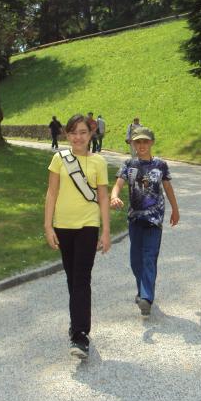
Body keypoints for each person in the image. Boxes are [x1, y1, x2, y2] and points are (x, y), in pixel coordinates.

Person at [44, 114, 111, 359]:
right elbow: (51, 193)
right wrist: (48, 226)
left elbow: (103, 197)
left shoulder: (99, 162)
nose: (78, 137)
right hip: (63, 225)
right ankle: (76, 323)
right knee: (72, 279)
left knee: (81, 278)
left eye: (83, 132)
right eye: (73, 133)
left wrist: (105, 230)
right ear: (67, 135)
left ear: (90, 134)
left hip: (87, 226)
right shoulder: (59, 159)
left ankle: (80, 335)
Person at [110, 127, 179, 316]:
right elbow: (118, 184)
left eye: (145, 141)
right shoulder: (129, 164)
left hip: (154, 220)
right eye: (138, 142)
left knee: (149, 257)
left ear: (151, 143)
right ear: (133, 144)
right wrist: (114, 196)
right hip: (135, 219)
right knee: (136, 260)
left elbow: (168, 187)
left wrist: (175, 209)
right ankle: (142, 291)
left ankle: (147, 298)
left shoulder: (160, 165)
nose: (141, 145)